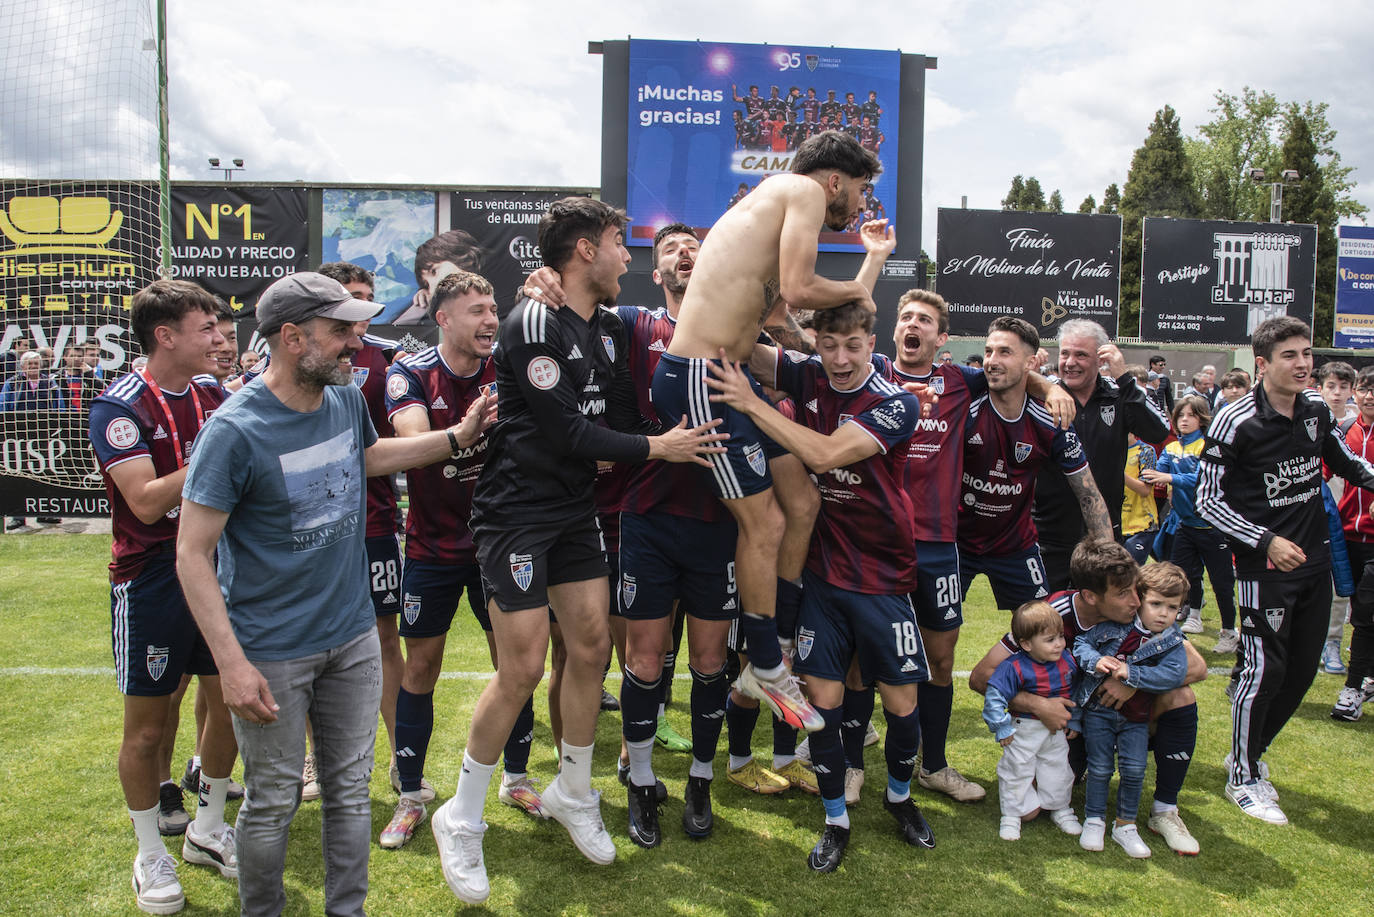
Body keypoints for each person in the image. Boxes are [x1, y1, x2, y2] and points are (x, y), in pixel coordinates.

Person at [429, 198, 726, 905]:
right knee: (524, 665)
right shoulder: (534, 319)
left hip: (574, 513)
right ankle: (461, 815)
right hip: (516, 516)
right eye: (623, 243)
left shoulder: (603, 328)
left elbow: (619, 416)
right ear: (587, 250)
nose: (630, 256)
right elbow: (567, 432)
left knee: (593, 650)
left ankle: (572, 790)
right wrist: (662, 446)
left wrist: (667, 427)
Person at [175, 271, 484, 916]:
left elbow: (367, 459)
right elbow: (192, 553)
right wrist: (231, 663)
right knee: (273, 800)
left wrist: (457, 437)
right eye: (341, 330)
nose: (356, 340)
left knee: (348, 791)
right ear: (293, 337)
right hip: (270, 653)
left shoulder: (343, 401)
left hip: (350, 640)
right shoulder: (233, 431)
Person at [654, 130, 890, 736]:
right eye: (861, 189)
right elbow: (801, 290)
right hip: (702, 380)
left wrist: (872, 264)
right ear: (835, 178)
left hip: (729, 375)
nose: (860, 204)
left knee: (802, 501)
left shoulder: (775, 202)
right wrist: (863, 285)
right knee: (768, 524)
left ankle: (775, 636)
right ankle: (765, 661)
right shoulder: (802, 191)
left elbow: (791, 319)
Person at [707, 301, 935, 872]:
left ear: (871, 343)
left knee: (903, 708)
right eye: (828, 344)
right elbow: (734, 338)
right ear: (817, 340)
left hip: (883, 576)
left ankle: (901, 798)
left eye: (852, 346)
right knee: (823, 708)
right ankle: (836, 819)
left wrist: (753, 403)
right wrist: (762, 290)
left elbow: (825, 454)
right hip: (824, 577)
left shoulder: (896, 401)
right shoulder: (806, 372)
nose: (838, 358)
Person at [87, 279, 237, 914]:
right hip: (152, 580)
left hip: (220, 569)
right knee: (147, 729)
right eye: (205, 329)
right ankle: (150, 850)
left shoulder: (214, 394)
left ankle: (205, 831)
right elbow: (146, 501)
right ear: (165, 336)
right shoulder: (118, 405)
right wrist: (214, 447)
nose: (220, 340)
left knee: (234, 700)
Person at [382, 270, 539, 850]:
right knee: (421, 666)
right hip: (433, 546)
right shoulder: (411, 372)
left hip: (501, 542)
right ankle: (410, 793)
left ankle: (517, 778)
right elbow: (417, 446)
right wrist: (467, 431)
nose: (490, 319)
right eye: (476, 310)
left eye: (493, 307)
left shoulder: (509, 366)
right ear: (443, 318)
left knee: (516, 663)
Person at [1197, 317, 1374, 826]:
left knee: (1298, 674)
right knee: (1263, 671)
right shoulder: (1234, 419)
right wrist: (1266, 540)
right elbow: (1208, 501)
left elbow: (1344, 463)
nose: (1303, 365)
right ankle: (1243, 779)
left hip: (1316, 565)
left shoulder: (1317, 410)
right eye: (1290, 356)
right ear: (1262, 364)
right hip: (1261, 569)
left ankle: (1246, 756)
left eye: (1306, 355)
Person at [969, 539, 1208, 856]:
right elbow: (981, 676)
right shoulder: (1051, 615)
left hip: (1129, 715)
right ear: (1091, 597)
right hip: (1071, 724)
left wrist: (1132, 682)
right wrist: (1038, 705)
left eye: (1136, 589)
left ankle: (1165, 809)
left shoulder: (1145, 616)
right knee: (1032, 809)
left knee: (1180, 695)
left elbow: (1197, 667)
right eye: (1123, 594)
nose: (1136, 601)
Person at [959, 317, 1112, 613]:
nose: (991, 360)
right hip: (956, 541)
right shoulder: (965, 401)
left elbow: (1088, 494)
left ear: (1030, 362)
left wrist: (1108, 558)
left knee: (1042, 627)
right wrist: (1049, 386)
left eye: (1005, 352)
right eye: (988, 351)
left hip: (1014, 544)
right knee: (939, 644)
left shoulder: (1051, 421)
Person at [1033, 319, 1170, 590]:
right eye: (1065, 353)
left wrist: (1125, 378)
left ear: (1102, 358)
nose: (1070, 362)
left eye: (1081, 354)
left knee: (1099, 621)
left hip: (1104, 535)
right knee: (1046, 622)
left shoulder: (1118, 394)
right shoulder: (1042, 395)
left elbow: (1159, 431)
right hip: (1049, 536)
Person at [1073, 562, 1190, 858]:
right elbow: (1081, 644)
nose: (1163, 613)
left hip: (1136, 719)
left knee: (1135, 770)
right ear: (1140, 599)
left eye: (1172, 607)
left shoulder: (1172, 640)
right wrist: (1095, 661)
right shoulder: (1115, 626)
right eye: (1155, 604)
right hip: (1098, 711)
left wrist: (1133, 677)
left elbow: (1175, 674)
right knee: (1099, 768)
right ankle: (1094, 820)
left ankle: (1125, 826)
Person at [981, 600, 1082, 842]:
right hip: (1023, 730)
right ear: (1026, 644)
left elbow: (1075, 692)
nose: (1059, 644)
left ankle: (1061, 808)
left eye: (1060, 636)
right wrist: (1001, 726)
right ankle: (1012, 815)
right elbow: (994, 696)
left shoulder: (1067, 660)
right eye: (1050, 640)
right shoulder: (1013, 667)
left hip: (1055, 731)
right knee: (1017, 769)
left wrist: (1074, 720)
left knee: (1058, 768)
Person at [1142, 395, 1237, 646]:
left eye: (1191, 415)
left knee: (1221, 581)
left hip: (1213, 526)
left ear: (1202, 418)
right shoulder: (1172, 447)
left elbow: (1202, 479)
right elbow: (1155, 473)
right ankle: (1191, 617)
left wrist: (1170, 478)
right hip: (1184, 524)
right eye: (1181, 415)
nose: (1184, 420)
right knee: (1181, 577)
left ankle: (1229, 631)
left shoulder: (1208, 446)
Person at [1332, 366, 1374, 721]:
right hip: (1348, 533)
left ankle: (1353, 687)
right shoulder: (1345, 429)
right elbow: (1324, 470)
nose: (1370, 395)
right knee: (1356, 605)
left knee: (1364, 613)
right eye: (1365, 388)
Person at [1316, 360, 1358, 674]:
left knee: (1339, 586)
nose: (1337, 392)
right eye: (1331, 386)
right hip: (1309, 519)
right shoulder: (1309, 419)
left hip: (1345, 521)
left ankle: (1332, 641)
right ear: (1321, 388)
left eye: (1344, 387)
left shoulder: (1356, 426)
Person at [1, 350, 65, 410]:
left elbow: (60, 405)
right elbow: (2, 405)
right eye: (30, 363)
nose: (33, 366)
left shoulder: (50, 383)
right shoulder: (12, 383)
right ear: (22, 366)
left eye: (36, 363)